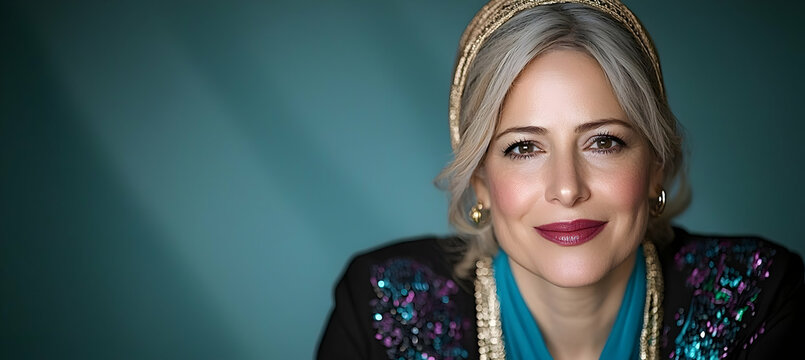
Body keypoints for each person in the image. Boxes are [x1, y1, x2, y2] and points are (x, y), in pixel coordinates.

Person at [316, 0, 805, 359]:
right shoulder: (381, 302)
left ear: (655, 161)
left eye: (604, 142)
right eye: (523, 148)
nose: (567, 188)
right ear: (482, 182)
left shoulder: (758, 295)